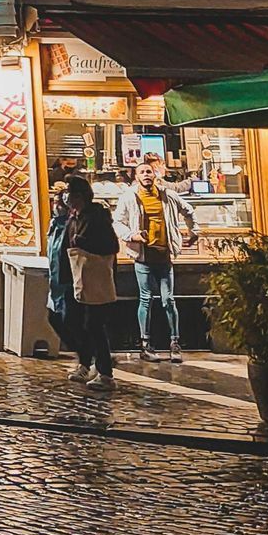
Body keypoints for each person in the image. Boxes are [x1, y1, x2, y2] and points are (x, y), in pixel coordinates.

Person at [115, 154, 191, 362]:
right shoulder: (129, 197)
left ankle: (175, 343)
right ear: (136, 176)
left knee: (169, 300)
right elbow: (118, 222)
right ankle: (145, 345)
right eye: (142, 172)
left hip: (165, 257)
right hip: (143, 258)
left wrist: (194, 232)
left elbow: (188, 210)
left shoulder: (166, 195)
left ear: (154, 174)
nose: (146, 175)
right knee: (146, 299)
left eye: (149, 171)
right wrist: (133, 235)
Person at [63, 174, 120, 388]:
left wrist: (84, 242)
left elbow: (111, 247)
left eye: (69, 192)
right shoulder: (74, 217)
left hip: (95, 280)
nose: (65, 196)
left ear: (80, 196)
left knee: (94, 325)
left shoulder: (95, 217)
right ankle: (87, 363)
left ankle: (105, 374)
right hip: (78, 278)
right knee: (77, 323)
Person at [45, 179, 82, 368]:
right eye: (54, 202)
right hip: (56, 282)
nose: (55, 206)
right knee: (55, 318)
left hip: (69, 282)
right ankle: (86, 355)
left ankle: (89, 358)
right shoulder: (54, 224)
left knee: (70, 321)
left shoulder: (72, 224)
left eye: (59, 202)